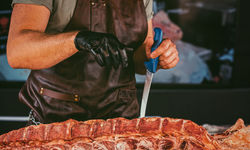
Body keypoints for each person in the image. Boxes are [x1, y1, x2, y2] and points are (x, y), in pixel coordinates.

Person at [7, 0, 179, 125]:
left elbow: (141, 58)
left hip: (121, 124)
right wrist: (77, 40)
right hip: (56, 124)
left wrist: (158, 55)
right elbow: (18, 51)